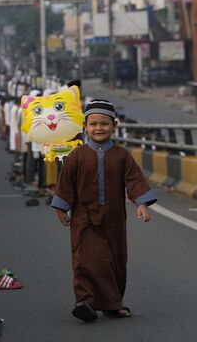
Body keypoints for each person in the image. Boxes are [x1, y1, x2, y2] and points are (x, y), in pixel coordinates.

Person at [51, 99, 157, 322]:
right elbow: (66, 184)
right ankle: (84, 301)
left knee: (115, 261)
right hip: (84, 219)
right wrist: (61, 208)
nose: (99, 128)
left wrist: (141, 204)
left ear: (114, 125)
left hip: (114, 220)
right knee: (87, 258)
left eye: (104, 124)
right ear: (85, 126)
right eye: (93, 124)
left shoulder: (121, 155)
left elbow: (135, 180)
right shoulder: (77, 155)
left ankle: (111, 304)